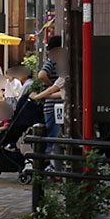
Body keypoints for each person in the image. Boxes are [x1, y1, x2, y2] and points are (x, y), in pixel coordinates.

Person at [31, 35, 67, 172]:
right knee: (55, 138)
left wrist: (40, 95)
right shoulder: (56, 62)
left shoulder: (59, 63)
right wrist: (50, 87)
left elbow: (56, 88)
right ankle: (54, 168)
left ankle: (54, 167)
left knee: (55, 138)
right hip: (54, 106)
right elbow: (55, 87)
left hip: (53, 105)